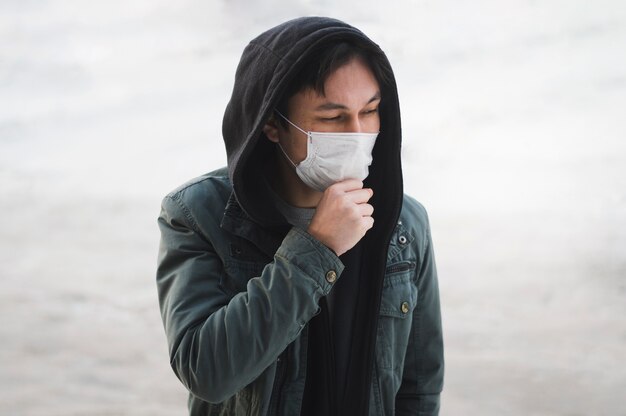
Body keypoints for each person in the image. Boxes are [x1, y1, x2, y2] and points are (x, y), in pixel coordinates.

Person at [156, 16, 444, 416]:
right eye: (332, 118)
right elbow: (206, 371)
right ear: (272, 123)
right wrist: (316, 248)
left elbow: (418, 387)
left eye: (371, 111)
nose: (357, 133)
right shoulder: (198, 214)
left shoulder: (404, 224)